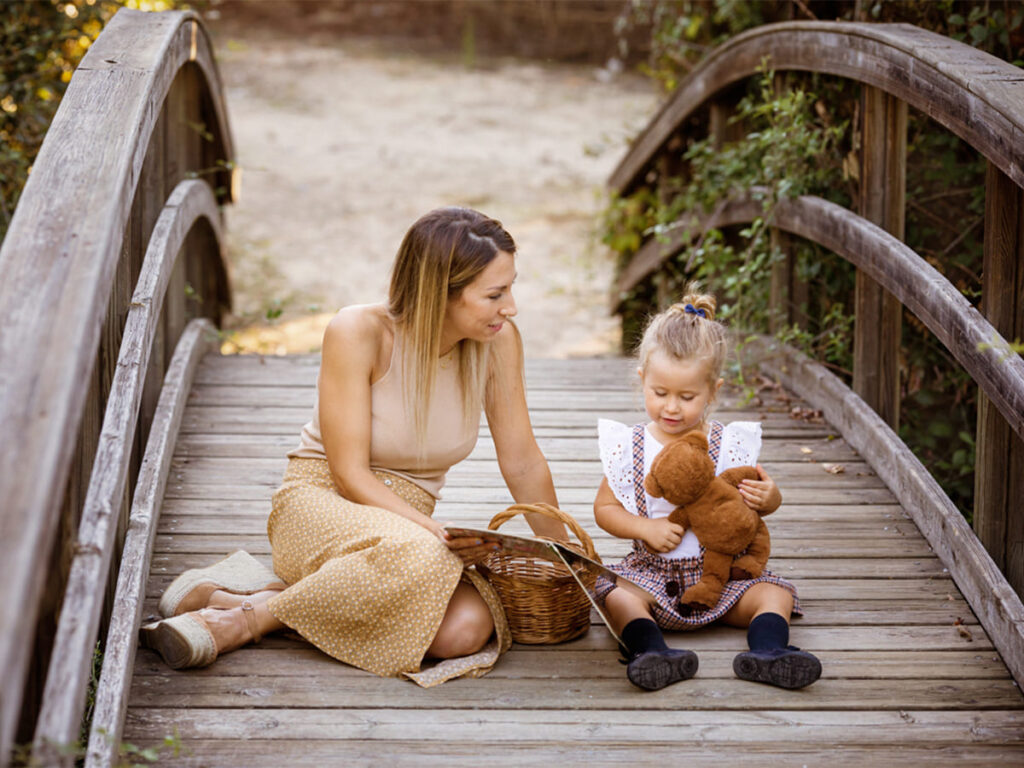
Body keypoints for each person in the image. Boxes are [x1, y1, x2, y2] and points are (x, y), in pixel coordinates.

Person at [141, 207, 566, 686]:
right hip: (323, 503)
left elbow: (523, 460)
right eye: (495, 294)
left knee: (464, 633)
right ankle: (238, 623)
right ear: (439, 293)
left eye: (510, 288)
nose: (511, 307)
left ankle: (252, 595)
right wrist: (433, 532)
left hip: (408, 530)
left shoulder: (499, 341)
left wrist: (568, 551)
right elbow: (349, 473)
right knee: (422, 555)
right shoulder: (357, 331)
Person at [593, 285, 821, 691]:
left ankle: (769, 652)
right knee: (617, 596)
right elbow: (605, 509)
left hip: (724, 579)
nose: (672, 407)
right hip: (653, 578)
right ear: (643, 380)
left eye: (687, 396)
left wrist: (771, 499)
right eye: (660, 393)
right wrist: (645, 529)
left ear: (713, 392)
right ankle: (652, 653)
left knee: (774, 594)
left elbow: (754, 497)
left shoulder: (727, 446)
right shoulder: (631, 446)